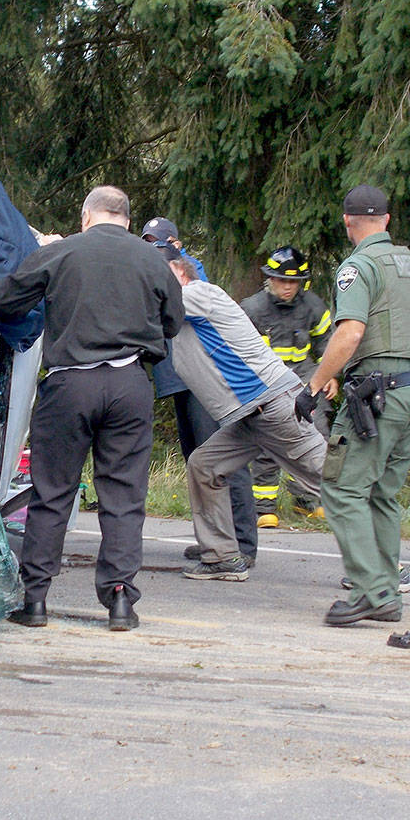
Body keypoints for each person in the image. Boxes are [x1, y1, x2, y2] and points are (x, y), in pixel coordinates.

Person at [0, 186, 184, 631]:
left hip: (70, 384)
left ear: (86, 216)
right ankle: (120, 601)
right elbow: (173, 322)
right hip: (130, 384)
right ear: (128, 220)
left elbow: (0, 299)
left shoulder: (63, 251)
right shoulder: (153, 259)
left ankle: (35, 600)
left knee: (52, 491)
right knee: (124, 497)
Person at [296, 185, 410, 625]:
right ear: (386, 220)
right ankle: (386, 590)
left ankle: (371, 592)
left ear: (347, 221)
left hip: (378, 395)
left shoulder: (357, 267)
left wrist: (315, 385)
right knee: (381, 494)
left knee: (341, 489)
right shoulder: (408, 265)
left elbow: (351, 332)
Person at [159, 247, 326, 581]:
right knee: (204, 466)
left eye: (157, 273)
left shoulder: (198, 294)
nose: (152, 281)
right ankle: (222, 556)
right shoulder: (183, 311)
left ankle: (383, 569)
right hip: (249, 416)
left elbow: (148, 304)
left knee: (334, 481)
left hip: (276, 406)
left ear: (178, 271)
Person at [142, 217, 259, 563]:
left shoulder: (190, 271)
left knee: (223, 459)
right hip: (180, 380)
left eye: (159, 241)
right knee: (197, 460)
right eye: (146, 242)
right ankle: (213, 539)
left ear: (176, 245)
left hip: (205, 381)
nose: (152, 248)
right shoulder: (152, 271)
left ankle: (242, 543)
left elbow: (189, 303)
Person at [239, 247, 336, 526]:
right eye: (282, 280)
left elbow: (326, 343)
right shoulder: (252, 309)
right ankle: (263, 508)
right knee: (267, 442)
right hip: (266, 382)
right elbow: (240, 352)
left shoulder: (313, 306)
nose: (288, 287)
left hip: (304, 379)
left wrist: (329, 374)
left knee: (315, 436)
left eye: (293, 281)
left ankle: (307, 501)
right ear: (270, 279)